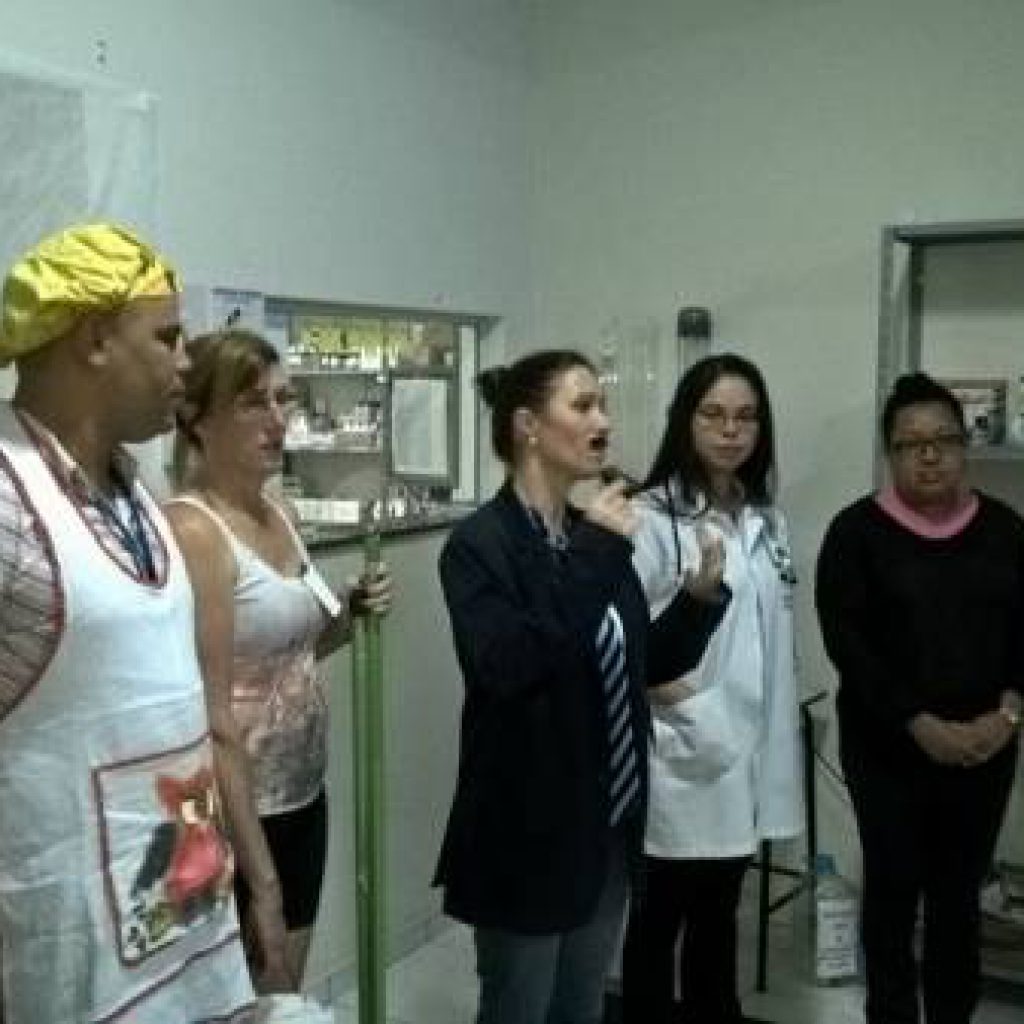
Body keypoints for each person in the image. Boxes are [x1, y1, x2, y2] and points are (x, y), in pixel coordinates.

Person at [0, 223, 256, 1022]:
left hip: (185, 919)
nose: (185, 362)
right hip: (66, 946)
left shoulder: (133, 489)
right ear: (94, 339)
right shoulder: (7, 498)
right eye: (167, 337)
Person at [434, 349, 731, 1024]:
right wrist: (597, 551)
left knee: (581, 1008)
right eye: (583, 405)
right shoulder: (481, 545)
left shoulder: (586, 536)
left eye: (603, 405)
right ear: (527, 426)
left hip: (605, 825)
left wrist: (696, 603)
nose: (603, 421)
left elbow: (635, 666)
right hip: (526, 832)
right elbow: (510, 666)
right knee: (521, 1007)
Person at [166, 328, 392, 988]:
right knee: (243, 996)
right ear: (197, 419)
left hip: (302, 795)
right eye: (252, 402)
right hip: (236, 815)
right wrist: (260, 879)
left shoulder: (279, 511)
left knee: (283, 993)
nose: (277, 419)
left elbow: (296, 654)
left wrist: (351, 611)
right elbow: (212, 713)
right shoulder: (194, 530)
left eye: (282, 399)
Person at [816, 372, 1023, 1024]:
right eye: (911, 444)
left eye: (944, 440)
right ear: (891, 453)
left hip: (986, 748)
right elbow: (849, 645)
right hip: (887, 752)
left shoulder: (1006, 531)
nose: (929, 456)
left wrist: (1008, 714)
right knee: (893, 892)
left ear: (965, 445)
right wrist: (918, 722)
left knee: (959, 898)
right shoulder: (855, 534)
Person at [621, 353, 803, 1024]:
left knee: (719, 921)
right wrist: (696, 716)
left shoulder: (765, 519)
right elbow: (629, 646)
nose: (731, 430)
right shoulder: (649, 517)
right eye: (714, 415)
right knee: (657, 926)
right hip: (679, 755)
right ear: (686, 421)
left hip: (744, 753)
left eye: (746, 417)